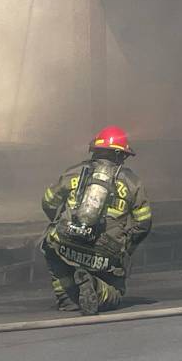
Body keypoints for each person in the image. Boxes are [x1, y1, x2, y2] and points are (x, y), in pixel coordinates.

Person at [40, 126, 152, 315]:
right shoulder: (133, 182)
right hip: (106, 251)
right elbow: (144, 223)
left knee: (50, 248)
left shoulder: (72, 173)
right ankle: (96, 287)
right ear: (120, 155)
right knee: (116, 292)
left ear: (95, 150)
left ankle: (67, 299)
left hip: (67, 241)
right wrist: (125, 247)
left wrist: (63, 225)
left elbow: (48, 202)